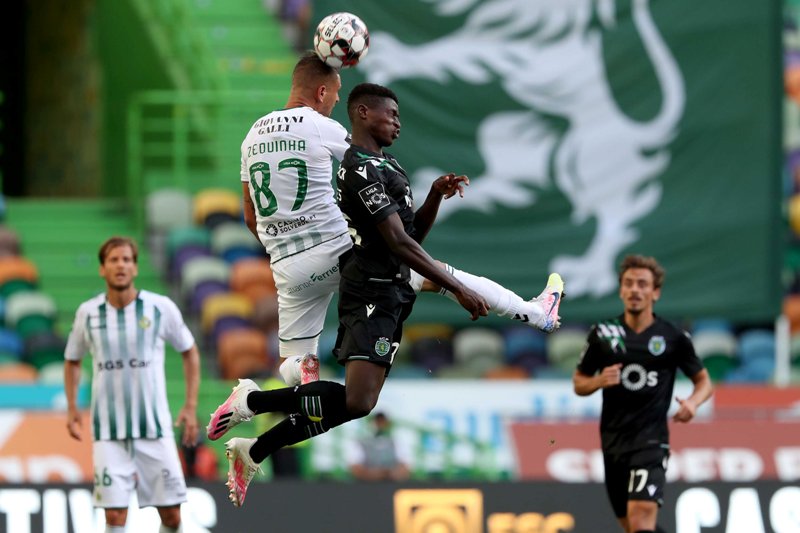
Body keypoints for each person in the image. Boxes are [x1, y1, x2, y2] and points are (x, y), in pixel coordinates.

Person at [210, 82, 565, 507]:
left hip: (390, 286)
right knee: (360, 398)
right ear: (361, 113)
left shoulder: (387, 165)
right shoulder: (357, 168)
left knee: (356, 402)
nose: (397, 121)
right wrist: (457, 291)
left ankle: (256, 444)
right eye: (390, 114)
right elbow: (398, 242)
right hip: (372, 288)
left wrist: (434, 196)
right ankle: (252, 402)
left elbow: (411, 233)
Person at [239, 51, 564, 389]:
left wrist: (285, 249)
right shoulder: (321, 127)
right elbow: (363, 156)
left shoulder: (251, 137)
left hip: (286, 267)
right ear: (322, 92)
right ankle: (535, 313)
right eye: (335, 95)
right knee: (432, 273)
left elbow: (250, 217)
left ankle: (255, 399)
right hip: (337, 251)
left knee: (294, 364)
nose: (335, 103)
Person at [63, 237, 200, 533]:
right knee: (114, 516)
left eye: (126, 259)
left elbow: (189, 351)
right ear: (102, 269)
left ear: (135, 267)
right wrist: (73, 407)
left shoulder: (160, 307)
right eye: (113, 260)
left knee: (172, 517)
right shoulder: (88, 313)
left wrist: (190, 406)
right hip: (108, 434)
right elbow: (72, 359)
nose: (120, 265)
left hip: (155, 429)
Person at [572, 255, 713, 533]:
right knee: (631, 525)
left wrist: (694, 404)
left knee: (640, 519)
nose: (635, 289)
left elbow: (704, 381)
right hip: (613, 442)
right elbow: (579, 382)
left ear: (655, 292)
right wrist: (599, 380)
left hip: (651, 441)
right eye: (629, 283)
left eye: (642, 284)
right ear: (621, 289)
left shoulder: (673, 337)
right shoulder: (603, 334)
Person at [349, 412, 411, 482]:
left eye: (382, 421)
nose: (380, 425)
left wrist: (391, 474)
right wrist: (374, 475)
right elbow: (355, 469)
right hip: (367, 487)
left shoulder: (397, 443)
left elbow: (405, 468)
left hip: (390, 486)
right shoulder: (360, 443)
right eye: (378, 421)